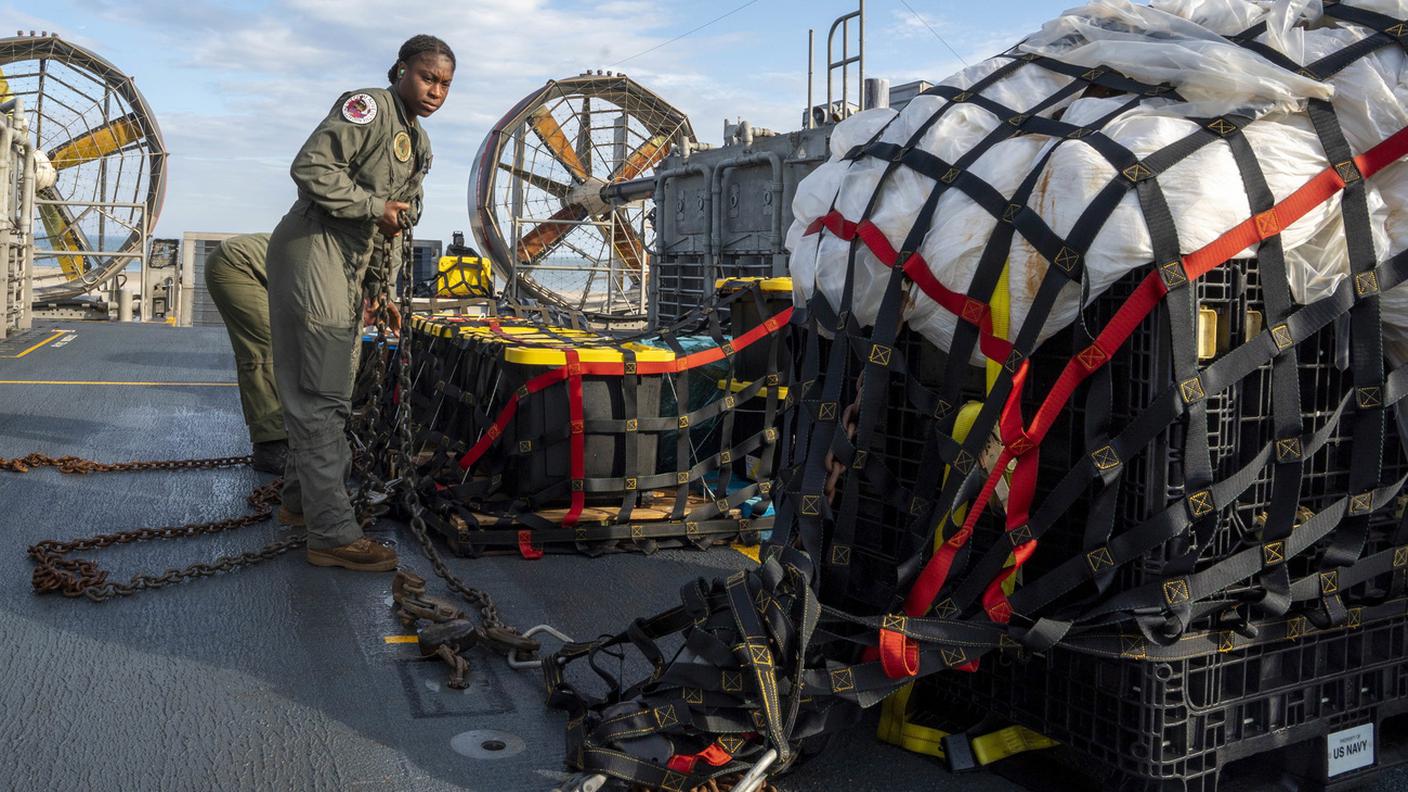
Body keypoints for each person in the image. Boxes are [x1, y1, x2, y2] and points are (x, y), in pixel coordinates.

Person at [268, 34, 453, 572]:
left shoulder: (418, 144)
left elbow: (391, 227)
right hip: (314, 247)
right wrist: (373, 205)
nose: (435, 91)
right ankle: (330, 534)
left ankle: (301, 506)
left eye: (444, 84)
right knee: (320, 394)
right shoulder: (368, 108)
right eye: (427, 78)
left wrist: (382, 290)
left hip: (349, 262)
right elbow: (311, 168)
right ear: (400, 71)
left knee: (333, 388)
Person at [204, 233, 288, 474]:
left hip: (254, 267)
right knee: (265, 351)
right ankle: (271, 447)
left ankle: (284, 433)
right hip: (236, 265)